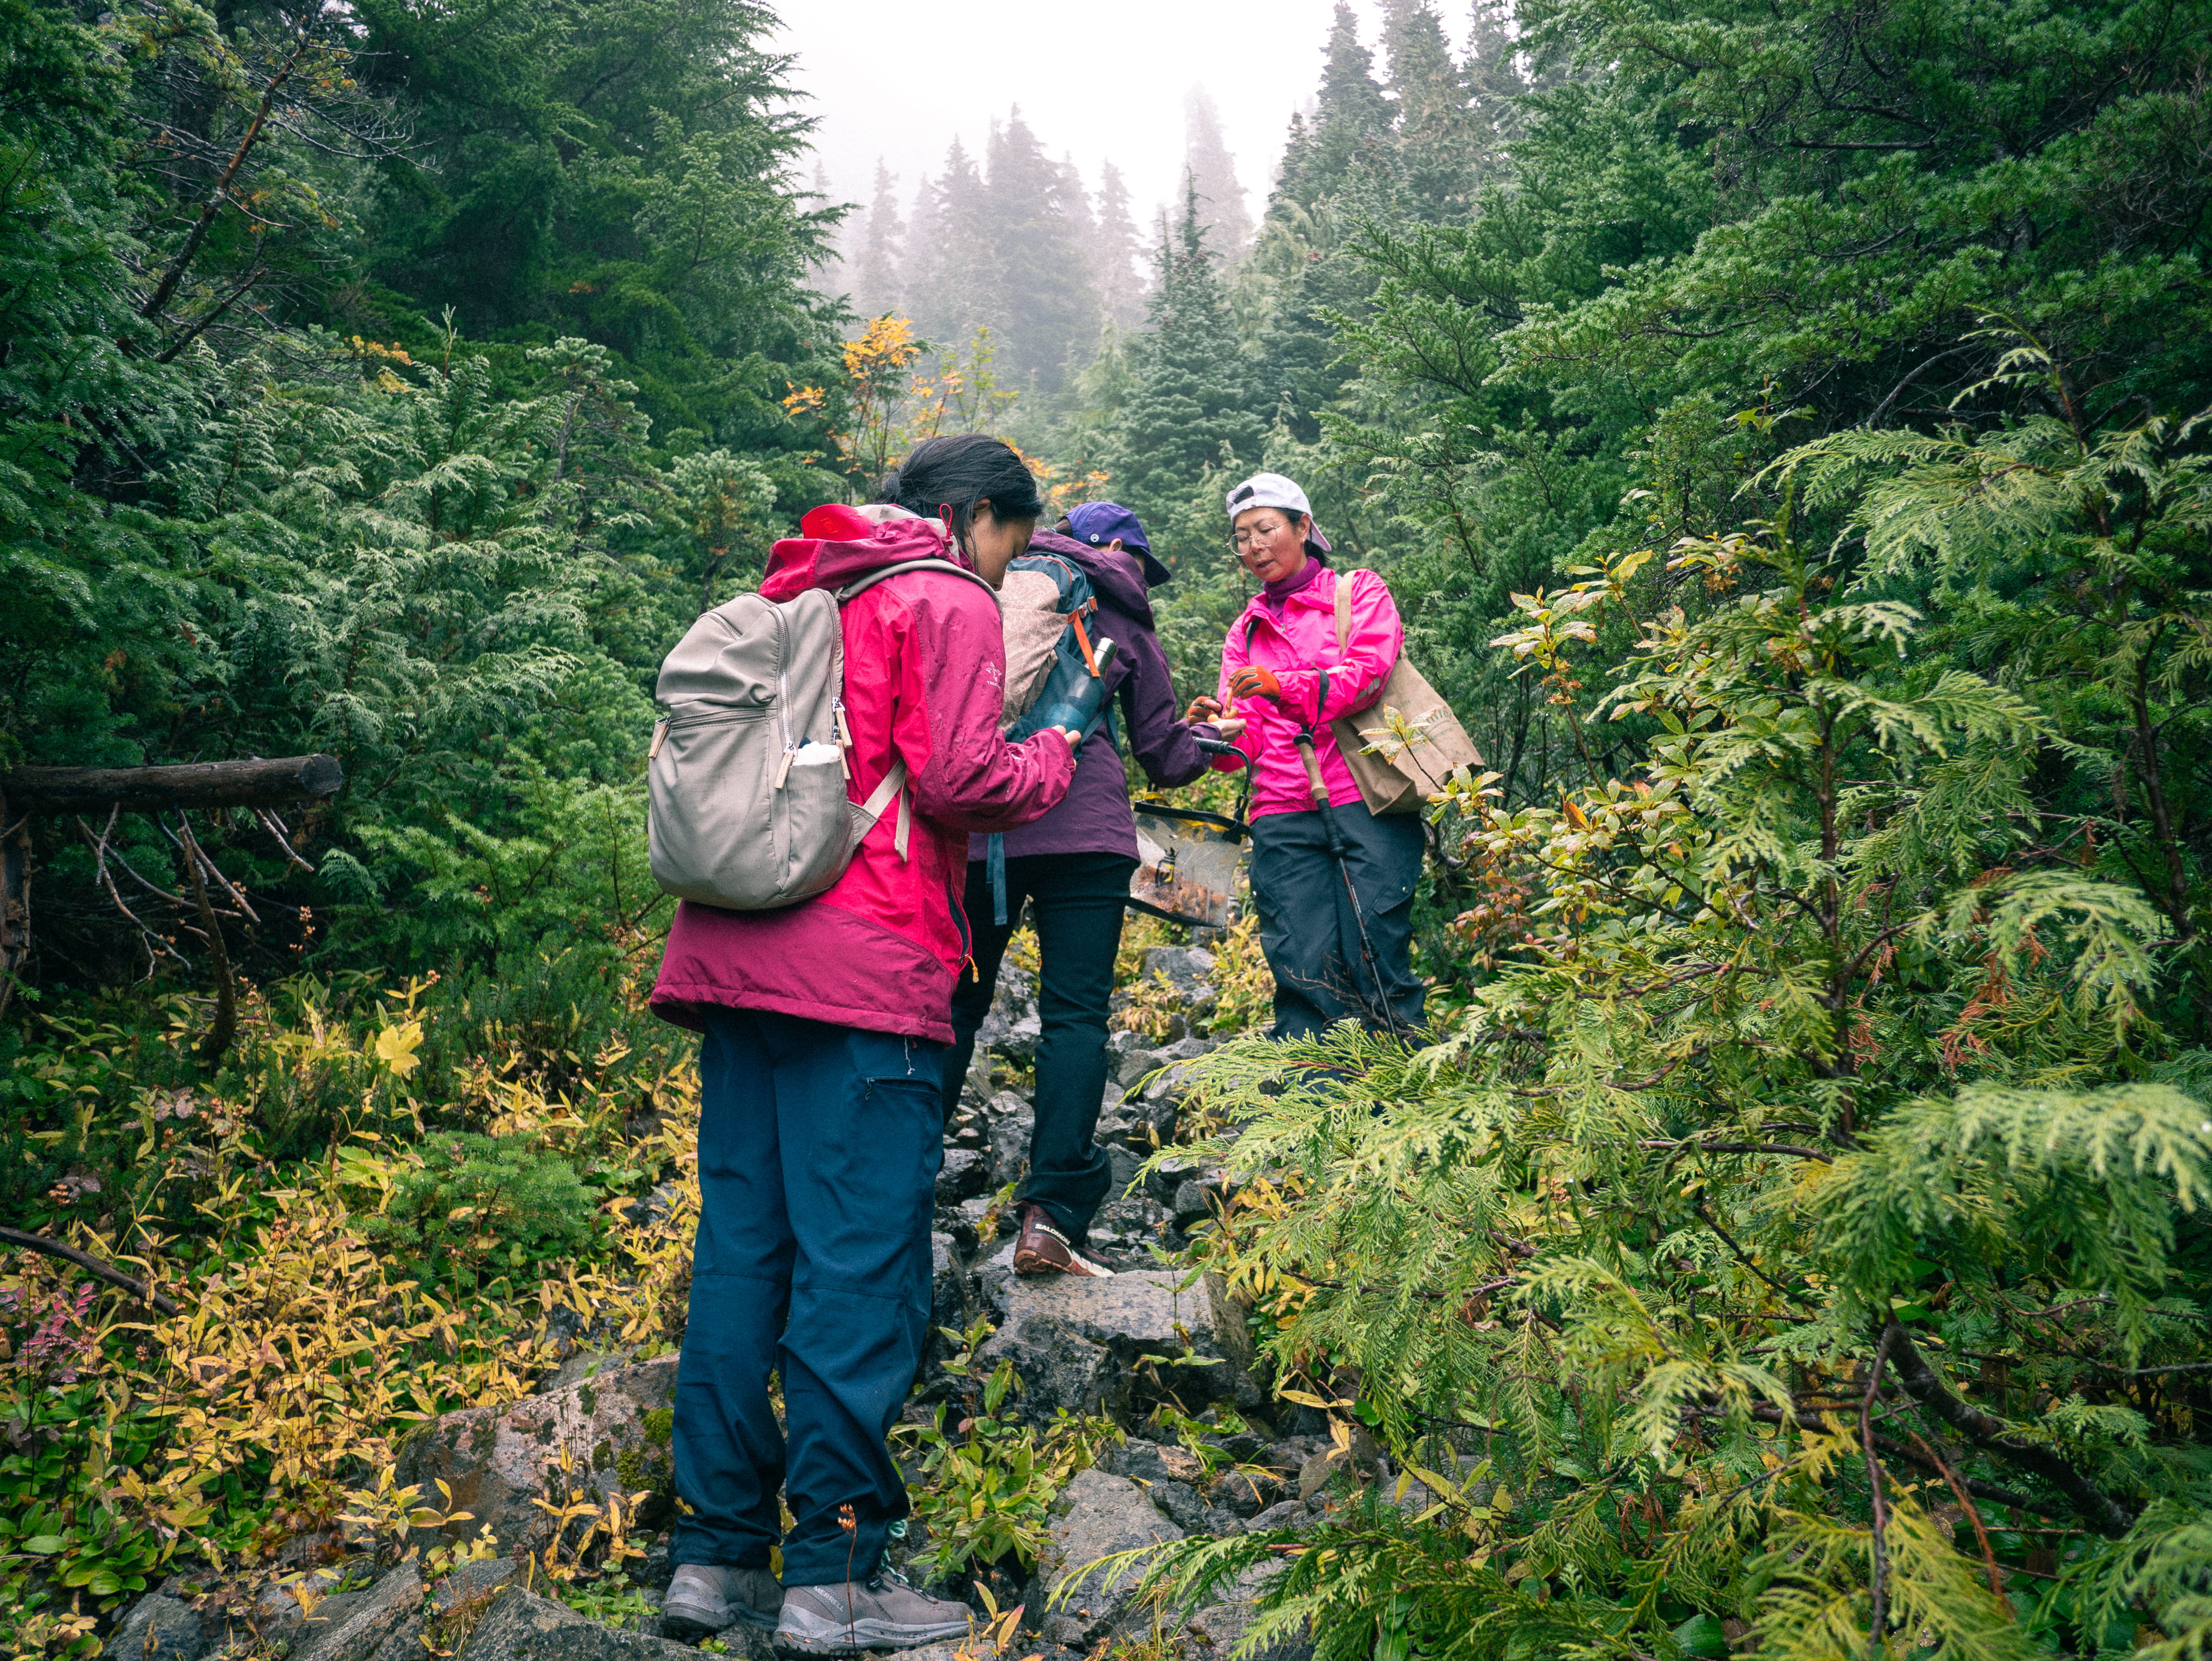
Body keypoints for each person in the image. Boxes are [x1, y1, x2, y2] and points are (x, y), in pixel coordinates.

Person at [650, 436, 1088, 1653]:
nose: (1003, 574)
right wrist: (1058, 744)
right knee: (857, 1269)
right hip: (862, 973)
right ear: (971, 516)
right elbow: (957, 778)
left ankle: (715, 1557)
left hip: (736, 961)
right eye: (1008, 546)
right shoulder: (941, 593)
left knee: (742, 1259)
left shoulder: (811, 586)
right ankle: (836, 1573)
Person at [939, 501, 1235, 1278]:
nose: (1141, 575)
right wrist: (1213, 737)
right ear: (1115, 551)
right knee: (1075, 1018)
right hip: (1085, 831)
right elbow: (1165, 755)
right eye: (1139, 559)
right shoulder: (1120, 606)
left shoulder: (987, 579)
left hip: (982, 824)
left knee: (956, 1006)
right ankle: (1050, 1219)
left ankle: (899, 1181)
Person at [1186, 472, 1426, 1040]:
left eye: (1265, 529)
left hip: (1365, 798)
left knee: (1377, 952)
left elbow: (1366, 675)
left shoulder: (1357, 592)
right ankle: (1313, 1089)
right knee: (1301, 965)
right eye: (1241, 537)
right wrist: (1209, 732)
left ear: (1303, 527)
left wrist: (1284, 686)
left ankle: (1400, 1083)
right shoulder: (1244, 630)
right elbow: (1242, 747)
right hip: (1280, 814)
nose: (1253, 546)